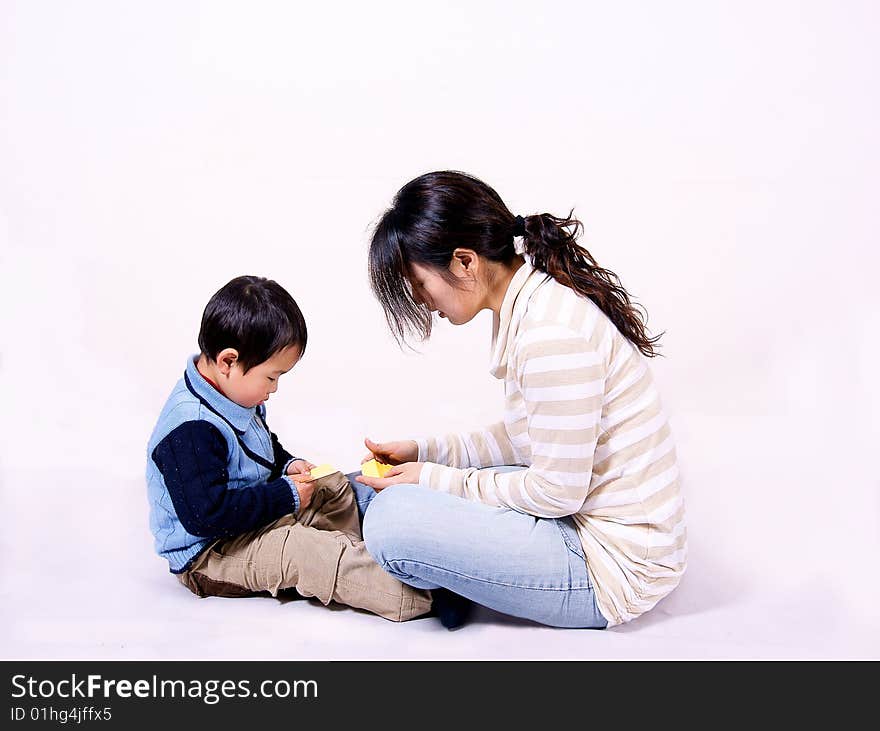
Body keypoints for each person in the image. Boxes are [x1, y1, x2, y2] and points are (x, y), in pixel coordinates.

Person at [357, 171, 687, 628]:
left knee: (391, 524)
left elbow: (555, 493)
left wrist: (432, 479)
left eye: (418, 284)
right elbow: (527, 438)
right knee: (372, 484)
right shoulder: (532, 307)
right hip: (584, 524)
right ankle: (446, 574)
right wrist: (426, 454)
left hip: (610, 570)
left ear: (465, 262)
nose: (420, 300)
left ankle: (436, 583)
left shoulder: (549, 334)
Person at [145, 275, 431, 622]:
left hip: (249, 515)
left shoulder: (231, 392)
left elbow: (261, 445)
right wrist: (285, 496)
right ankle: (420, 593)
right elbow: (207, 516)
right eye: (272, 376)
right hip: (213, 551)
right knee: (302, 551)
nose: (275, 388)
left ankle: (361, 545)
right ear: (227, 362)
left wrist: (287, 465)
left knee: (334, 484)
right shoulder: (190, 429)